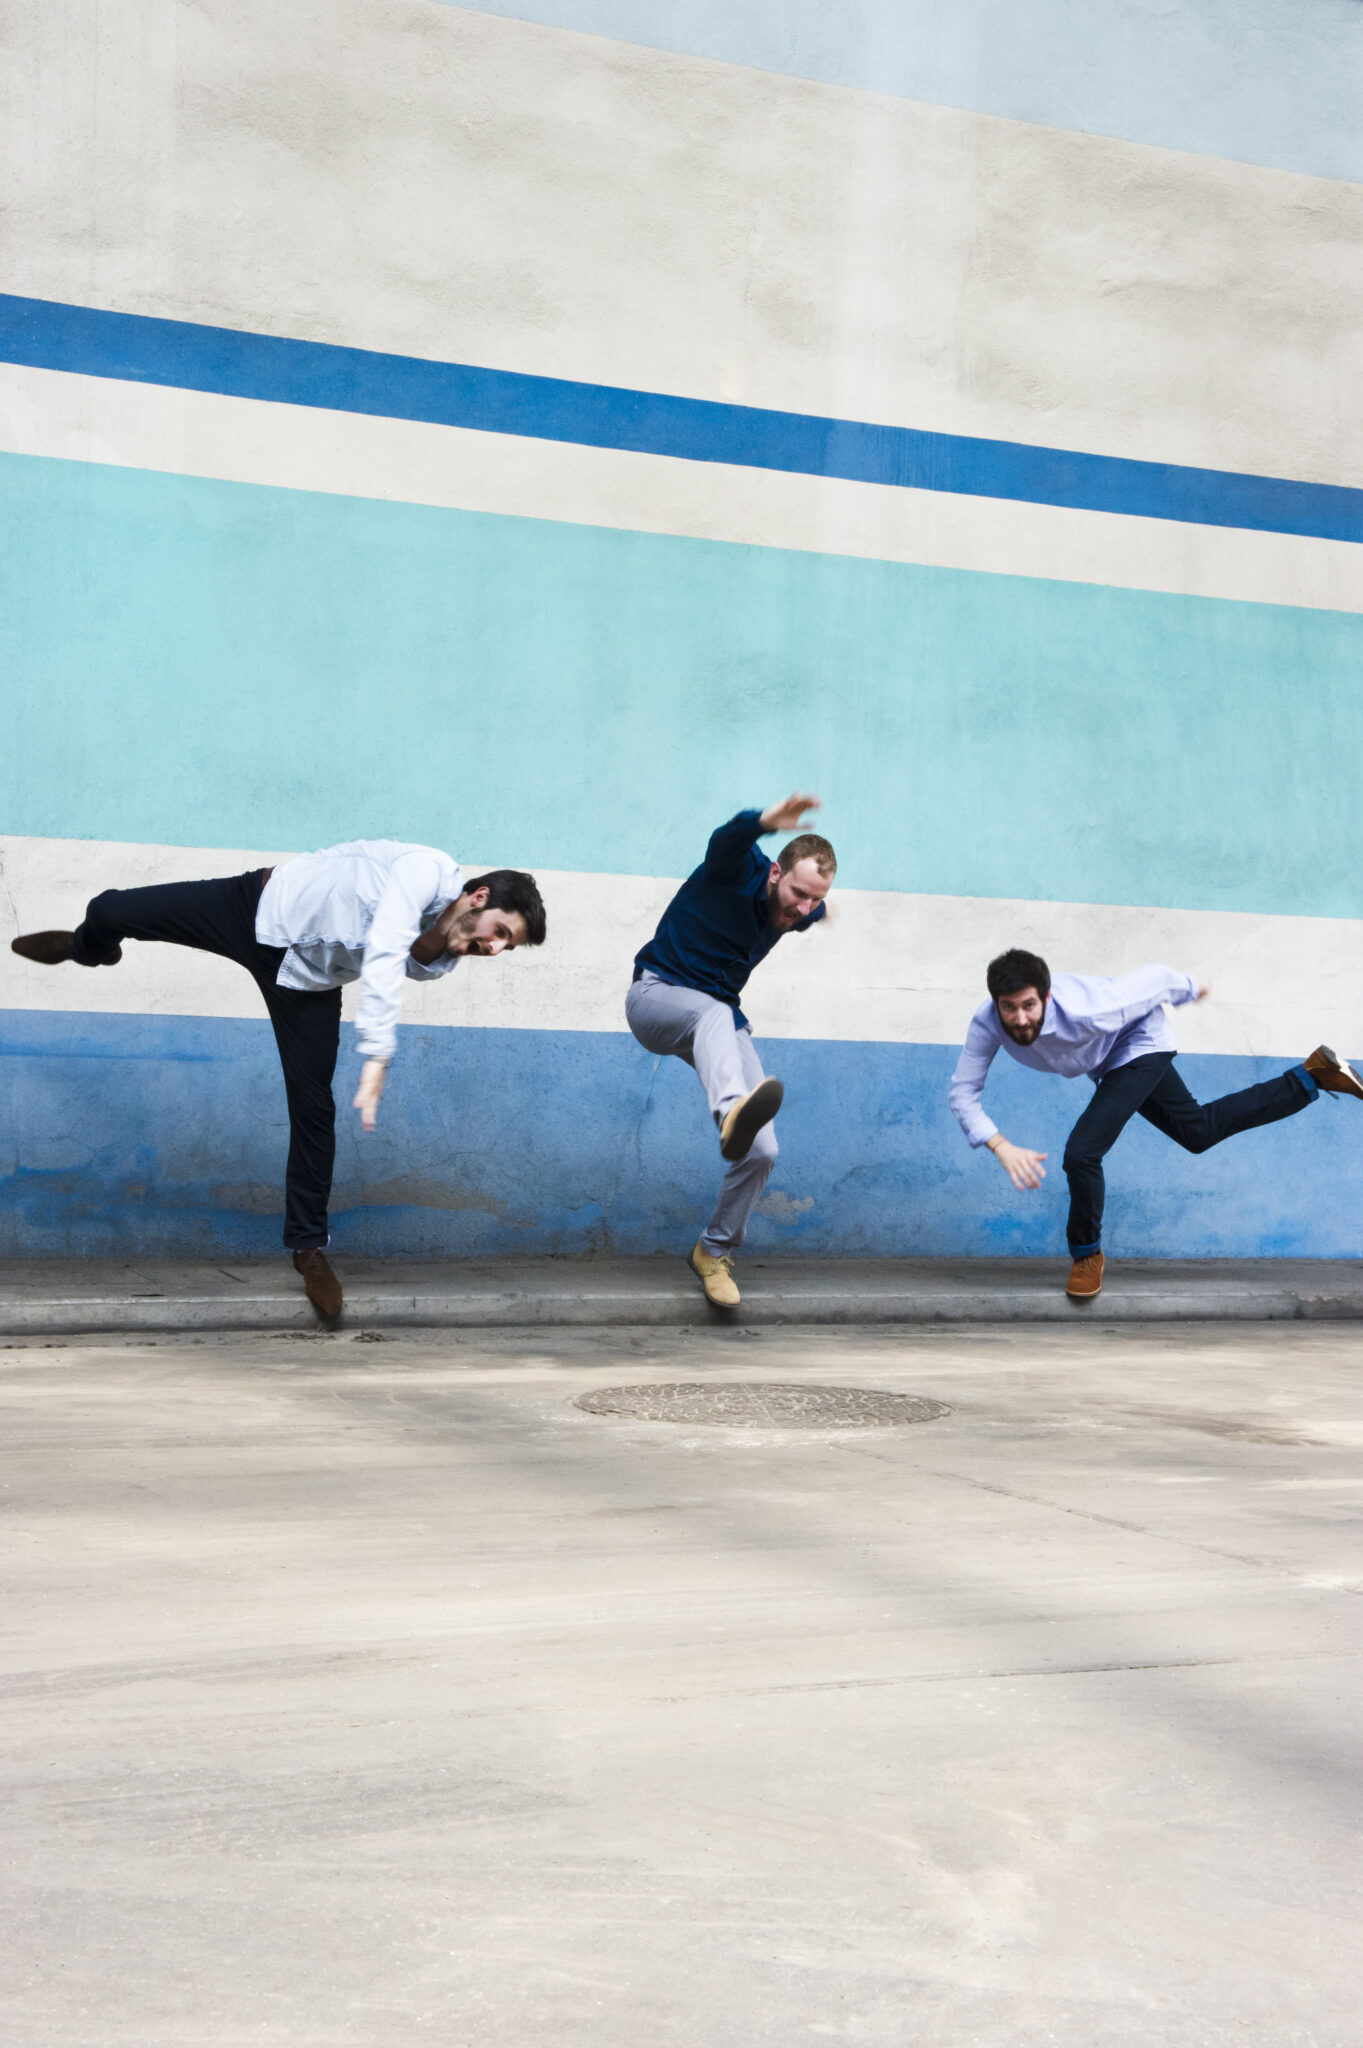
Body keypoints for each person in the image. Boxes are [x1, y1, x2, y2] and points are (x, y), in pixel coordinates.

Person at [11, 842, 547, 1317]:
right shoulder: (424, 870)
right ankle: (87, 949)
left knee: (314, 1110)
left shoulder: (448, 951)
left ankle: (308, 1249)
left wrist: (440, 939)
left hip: (308, 983)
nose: (496, 948)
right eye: (501, 932)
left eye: (508, 946)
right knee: (108, 909)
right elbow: (385, 946)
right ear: (478, 898)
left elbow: (409, 958)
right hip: (252, 909)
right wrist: (377, 1055)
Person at [949, 947, 1363, 1298]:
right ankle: (1312, 1076)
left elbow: (1154, 980)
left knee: (1081, 1153)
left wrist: (1191, 987)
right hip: (1108, 1062)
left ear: (1046, 996)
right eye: (1008, 1008)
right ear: (995, 1003)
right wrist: (1000, 1145)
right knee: (1197, 1132)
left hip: (1139, 1043)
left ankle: (1087, 1255)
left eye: (1029, 1005)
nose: (1020, 1019)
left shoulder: (1089, 1007)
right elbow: (962, 1093)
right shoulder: (987, 1024)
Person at [627, 796, 835, 1306]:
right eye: (797, 894)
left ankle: (712, 1250)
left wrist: (823, 910)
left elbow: (812, 908)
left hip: (716, 1020)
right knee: (713, 1013)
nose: (802, 909)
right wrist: (761, 822)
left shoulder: (799, 910)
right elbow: (726, 842)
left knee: (763, 1149)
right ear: (774, 873)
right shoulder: (735, 870)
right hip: (656, 996)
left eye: (814, 900)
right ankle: (729, 1112)